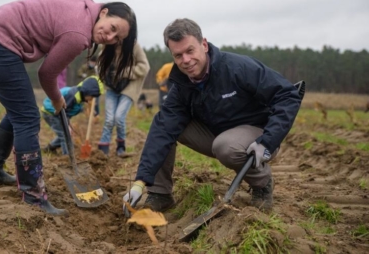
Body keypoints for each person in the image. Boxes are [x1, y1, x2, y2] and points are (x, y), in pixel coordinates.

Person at [0, 0, 137, 216]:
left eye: (117, 39)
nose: (110, 37)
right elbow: (46, 75)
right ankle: (34, 196)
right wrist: (58, 101)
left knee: (18, 111)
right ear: (105, 12)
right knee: (27, 118)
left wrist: (32, 20)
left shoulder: (78, 2)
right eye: (112, 28)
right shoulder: (77, 34)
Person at [122, 18, 301, 216]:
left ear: (204, 45)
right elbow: (163, 128)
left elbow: (287, 94)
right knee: (165, 125)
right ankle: (160, 194)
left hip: (257, 136)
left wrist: (268, 140)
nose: (186, 60)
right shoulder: (182, 86)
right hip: (218, 133)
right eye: (178, 55)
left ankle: (262, 183)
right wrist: (140, 182)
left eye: (190, 51)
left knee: (225, 146)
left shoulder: (237, 67)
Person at [98, 42, 149, 157]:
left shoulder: (134, 46)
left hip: (129, 87)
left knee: (119, 117)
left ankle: (121, 148)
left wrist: (124, 72)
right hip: (111, 87)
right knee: (109, 119)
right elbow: (100, 64)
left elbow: (144, 67)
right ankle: (103, 149)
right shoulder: (106, 46)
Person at [41, 76, 104, 154]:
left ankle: (50, 148)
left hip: (59, 114)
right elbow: (62, 111)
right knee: (65, 135)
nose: (91, 99)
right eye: (91, 97)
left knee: (65, 133)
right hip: (51, 113)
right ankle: (67, 156)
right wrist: (67, 125)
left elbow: (73, 109)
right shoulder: (72, 95)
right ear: (87, 92)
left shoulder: (81, 96)